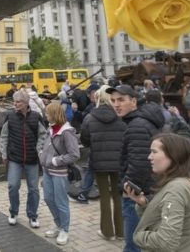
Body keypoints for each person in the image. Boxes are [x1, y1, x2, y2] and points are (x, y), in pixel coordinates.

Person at [125, 133, 190, 251]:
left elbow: (166, 242)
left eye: (154, 152)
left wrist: (138, 236)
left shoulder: (177, 189)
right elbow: (167, 221)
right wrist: (143, 204)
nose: (149, 157)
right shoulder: (189, 181)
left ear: (173, 155)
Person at [108, 84, 164, 252]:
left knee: (133, 244)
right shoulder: (140, 121)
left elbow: (139, 163)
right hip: (149, 188)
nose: (116, 104)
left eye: (121, 100)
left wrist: (127, 188)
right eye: (113, 101)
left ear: (133, 101)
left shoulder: (136, 126)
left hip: (136, 192)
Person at [81, 85, 126, 240]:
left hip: (99, 161)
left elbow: (85, 140)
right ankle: (121, 231)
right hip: (118, 160)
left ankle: (107, 231)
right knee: (118, 194)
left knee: (104, 195)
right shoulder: (121, 116)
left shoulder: (90, 117)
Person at [0, 91, 47, 229]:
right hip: (15, 158)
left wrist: (38, 149)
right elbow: (4, 136)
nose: (15, 104)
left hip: (32, 159)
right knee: (13, 186)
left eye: (18, 101)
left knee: (34, 189)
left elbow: (43, 135)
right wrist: (4, 154)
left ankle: (32, 215)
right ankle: (13, 212)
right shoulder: (10, 116)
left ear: (26, 103)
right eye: (14, 101)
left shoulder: (36, 117)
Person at [39, 101, 80, 246]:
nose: (45, 115)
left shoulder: (67, 132)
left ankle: (64, 229)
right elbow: (45, 145)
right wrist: (41, 154)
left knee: (61, 201)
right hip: (47, 171)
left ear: (54, 114)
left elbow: (74, 154)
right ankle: (58, 224)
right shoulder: (50, 129)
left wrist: (56, 161)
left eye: (47, 112)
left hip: (60, 172)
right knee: (48, 198)